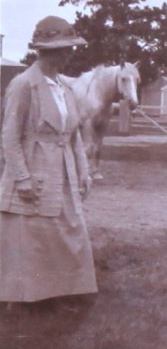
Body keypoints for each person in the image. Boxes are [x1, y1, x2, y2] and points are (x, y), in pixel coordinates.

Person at [0, 15, 97, 305]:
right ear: (48, 51)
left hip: (63, 170)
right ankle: (23, 298)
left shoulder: (64, 87)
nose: (70, 54)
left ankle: (61, 292)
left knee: (69, 230)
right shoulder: (23, 85)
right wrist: (22, 177)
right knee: (31, 236)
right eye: (66, 48)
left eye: (70, 48)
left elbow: (73, 134)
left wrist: (83, 172)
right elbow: (9, 137)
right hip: (34, 168)